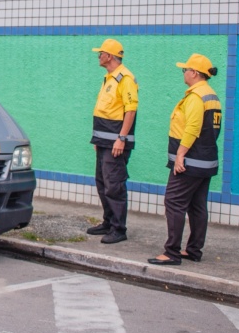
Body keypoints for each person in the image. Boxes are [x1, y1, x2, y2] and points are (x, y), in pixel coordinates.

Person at [148, 54, 222, 266]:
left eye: (185, 70)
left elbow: (192, 128)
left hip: (189, 162)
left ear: (195, 73)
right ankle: (194, 250)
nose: (184, 73)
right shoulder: (212, 96)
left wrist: (181, 155)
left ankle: (171, 252)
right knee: (197, 206)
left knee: (174, 202)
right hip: (205, 161)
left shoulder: (196, 97)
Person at [87, 38, 138, 244]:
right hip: (104, 141)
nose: (98, 56)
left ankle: (119, 228)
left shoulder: (125, 78)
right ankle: (108, 222)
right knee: (102, 183)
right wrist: (98, 139)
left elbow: (130, 109)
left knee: (114, 186)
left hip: (116, 143)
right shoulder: (109, 78)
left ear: (109, 56)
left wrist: (121, 139)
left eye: (100, 53)